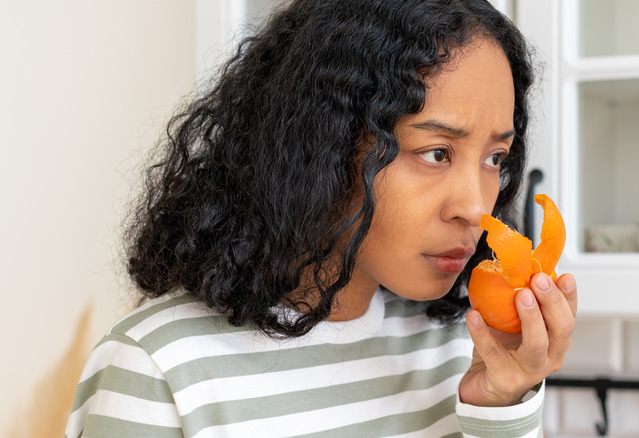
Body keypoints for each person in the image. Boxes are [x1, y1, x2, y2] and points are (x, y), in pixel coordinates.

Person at [65, 0, 577, 436]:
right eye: (437, 152)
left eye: (495, 159)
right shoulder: (159, 367)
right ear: (324, 144)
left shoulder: (465, 348)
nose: (475, 206)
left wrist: (500, 408)